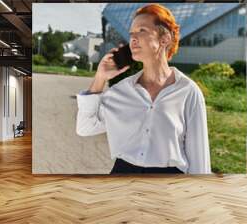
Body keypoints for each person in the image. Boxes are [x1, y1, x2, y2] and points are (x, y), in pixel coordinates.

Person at [76, 3, 211, 174]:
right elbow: (85, 127)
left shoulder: (188, 91)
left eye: (141, 31)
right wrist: (100, 78)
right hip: (123, 174)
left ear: (165, 39)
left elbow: (199, 156)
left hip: (168, 182)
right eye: (131, 33)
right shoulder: (121, 91)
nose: (133, 38)